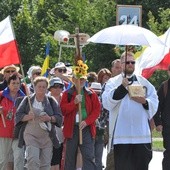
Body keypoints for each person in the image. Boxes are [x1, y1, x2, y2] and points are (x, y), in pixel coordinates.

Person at [102, 52, 159, 170]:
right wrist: (121, 88)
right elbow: (107, 103)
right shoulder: (113, 82)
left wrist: (144, 101)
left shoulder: (143, 82)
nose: (130, 64)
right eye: (127, 62)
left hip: (142, 136)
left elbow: (154, 100)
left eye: (132, 62)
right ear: (121, 64)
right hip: (121, 136)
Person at [15, 76, 63, 170]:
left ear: (47, 88)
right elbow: (18, 116)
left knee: (45, 164)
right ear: (35, 87)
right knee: (33, 160)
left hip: (47, 137)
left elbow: (59, 118)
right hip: (31, 135)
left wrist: (49, 118)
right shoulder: (27, 100)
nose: (41, 88)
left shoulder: (51, 101)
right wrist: (28, 117)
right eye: (39, 86)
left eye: (44, 87)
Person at [60, 75, 101, 170]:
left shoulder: (91, 93)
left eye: (82, 79)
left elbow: (96, 110)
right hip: (72, 129)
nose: (80, 81)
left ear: (85, 80)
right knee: (70, 158)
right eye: (78, 79)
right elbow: (63, 110)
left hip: (86, 129)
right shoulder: (67, 94)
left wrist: (87, 122)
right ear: (73, 80)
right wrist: (74, 103)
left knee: (89, 156)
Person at [0, 73, 25, 170]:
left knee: (19, 158)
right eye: (13, 83)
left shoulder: (24, 97)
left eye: (18, 83)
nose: (16, 86)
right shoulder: (1, 95)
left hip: (18, 132)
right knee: (3, 160)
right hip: (3, 133)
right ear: (8, 84)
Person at [153, 65, 170, 170]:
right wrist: (158, 123)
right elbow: (156, 107)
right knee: (169, 154)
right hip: (168, 128)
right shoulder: (165, 86)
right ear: (168, 72)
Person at [48, 77, 64, 170]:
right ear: (50, 88)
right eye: (55, 86)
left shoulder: (65, 98)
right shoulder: (46, 98)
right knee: (49, 159)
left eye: (60, 86)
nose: (58, 88)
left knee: (57, 158)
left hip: (62, 133)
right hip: (48, 133)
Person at [90, 82, 104, 170]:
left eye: (98, 93)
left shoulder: (103, 101)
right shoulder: (103, 101)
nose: (96, 94)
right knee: (94, 157)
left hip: (97, 131)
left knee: (96, 157)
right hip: (92, 131)